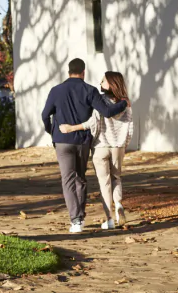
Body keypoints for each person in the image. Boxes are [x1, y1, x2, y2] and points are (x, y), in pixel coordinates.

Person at [41, 58, 128, 233]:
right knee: (80, 178)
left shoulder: (56, 90)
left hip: (62, 141)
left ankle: (76, 221)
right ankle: (81, 216)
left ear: (68, 71)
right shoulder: (90, 90)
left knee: (68, 180)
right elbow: (107, 112)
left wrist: (52, 131)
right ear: (83, 72)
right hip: (82, 141)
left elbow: (45, 115)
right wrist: (124, 102)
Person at [60, 71, 133, 230]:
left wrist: (72, 128)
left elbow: (93, 123)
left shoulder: (101, 102)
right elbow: (130, 128)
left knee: (104, 183)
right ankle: (119, 204)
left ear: (111, 83)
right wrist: (123, 146)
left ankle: (110, 219)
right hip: (118, 147)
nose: (100, 83)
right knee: (116, 178)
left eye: (103, 81)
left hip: (101, 147)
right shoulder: (126, 104)